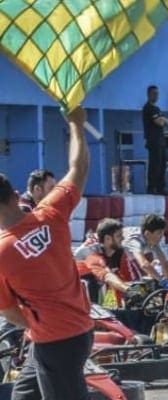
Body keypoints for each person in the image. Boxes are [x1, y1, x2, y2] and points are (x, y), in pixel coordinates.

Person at [0, 109, 93, 400]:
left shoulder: (3, 252)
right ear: (17, 195)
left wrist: (35, 323)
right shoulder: (51, 212)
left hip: (57, 340)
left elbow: (8, 311)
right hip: (72, 332)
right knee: (24, 397)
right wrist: (76, 125)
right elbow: (78, 169)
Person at [123, 213, 168, 283]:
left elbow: (165, 264)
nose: (162, 236)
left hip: (131, 256)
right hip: (115, 255)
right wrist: (163, 281)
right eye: (159, 233)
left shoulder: (153, 240)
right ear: (147, 233)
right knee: (137, 281)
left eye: (163, 233)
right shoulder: (134, 240)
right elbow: (144, 264)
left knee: (155, 268)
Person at [142, 85, 168, 194]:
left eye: (157, 94)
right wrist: (162, 119)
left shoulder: (157, 109)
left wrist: (163, 119)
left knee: (163, 164)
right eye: (154, 93)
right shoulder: (148, 108)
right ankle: (152, 187)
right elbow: (160, 122)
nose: (156, 96)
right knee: (155, 165)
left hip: (161, 140)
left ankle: (161, 187)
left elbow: (167, 121)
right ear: (149, 94)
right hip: (153, 141)